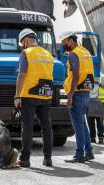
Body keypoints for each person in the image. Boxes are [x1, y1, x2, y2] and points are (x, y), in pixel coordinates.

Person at [14, 28, 54, 167]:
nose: (22, 45)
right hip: (46, 94)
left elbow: (22, 75)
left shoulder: (26, 53)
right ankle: (48, 158)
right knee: (46, 126)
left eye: (22, 43)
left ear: (25, 40)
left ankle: (25, 159)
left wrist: (17, 96)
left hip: (29, 94)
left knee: (28, 127)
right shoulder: (48, 54)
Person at [60, 31, 95, 163]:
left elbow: (75, 75)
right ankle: (89, 152)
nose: (63, 46)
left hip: (77, 93)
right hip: (86, 92)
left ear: (70, 40)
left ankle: (79, 154)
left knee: (78, 125)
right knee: (82, 123)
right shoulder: (85, 52)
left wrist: (70, 96)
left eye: (64, 43)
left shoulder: (74, 53)